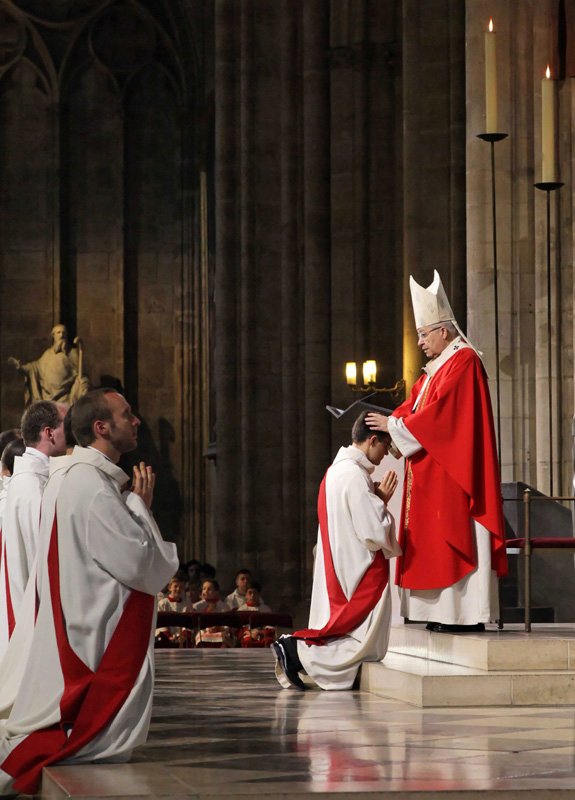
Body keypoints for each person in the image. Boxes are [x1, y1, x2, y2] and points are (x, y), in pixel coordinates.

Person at [0, 389, 179, 795]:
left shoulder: (72, 475)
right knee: (84, 735)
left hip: (77, 619)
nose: (137, 421)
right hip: (90, 636)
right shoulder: (91, 485)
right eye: (127, 414)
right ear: (101, 427)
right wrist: (138, 507)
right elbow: (139, 565)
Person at [365, 270, 508, 633]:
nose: (420, 343)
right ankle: (439, 613)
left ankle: (463, 615)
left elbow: (441, 418)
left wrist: (396, 427)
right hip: (433, 473)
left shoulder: (464, 362)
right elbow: (413, 405)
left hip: (456, 474)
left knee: (453, 536)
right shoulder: (436, 369)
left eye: (424, 335)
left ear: (443, 330)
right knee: (430, 541)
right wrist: (391, 421)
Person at [272, 412, 400, 691]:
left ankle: (298, 653)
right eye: (384, 447)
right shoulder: (353, 475)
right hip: (358, 567)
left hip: (343, 562)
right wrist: (383, 504)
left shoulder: (336, 471)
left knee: (353, 634)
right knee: (360, 638)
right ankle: (297, 652)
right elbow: (373, 530)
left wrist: (375, 501)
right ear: (373, 439)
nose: (385, 456)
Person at [0, 401, 67, 655]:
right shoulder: (31, 486)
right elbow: (45, 561)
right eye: (67, 425)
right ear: (49, 433)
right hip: (32, 621)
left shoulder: (33, 479)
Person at [8, 323, 89, 405]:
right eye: (58, 332)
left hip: (66, 400)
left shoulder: (73, 353)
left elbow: (82, 375)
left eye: (64, 333)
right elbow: (35, 367)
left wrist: (83, 384)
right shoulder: (47, 354)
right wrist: (21, 368)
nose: (61, 335)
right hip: (48, 399)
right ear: (53, 335)